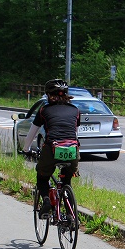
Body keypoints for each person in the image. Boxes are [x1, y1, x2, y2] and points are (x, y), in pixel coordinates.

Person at [23, 79, 81, 217]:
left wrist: (26, 149)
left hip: (52, 148)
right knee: (67, 180)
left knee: (42, 177)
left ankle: (47, 201)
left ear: (48, 95)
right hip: (72, 149)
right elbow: (76, 134)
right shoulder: (75, 110)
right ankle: (70, 216)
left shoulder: (44, 110)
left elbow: (32, 133)